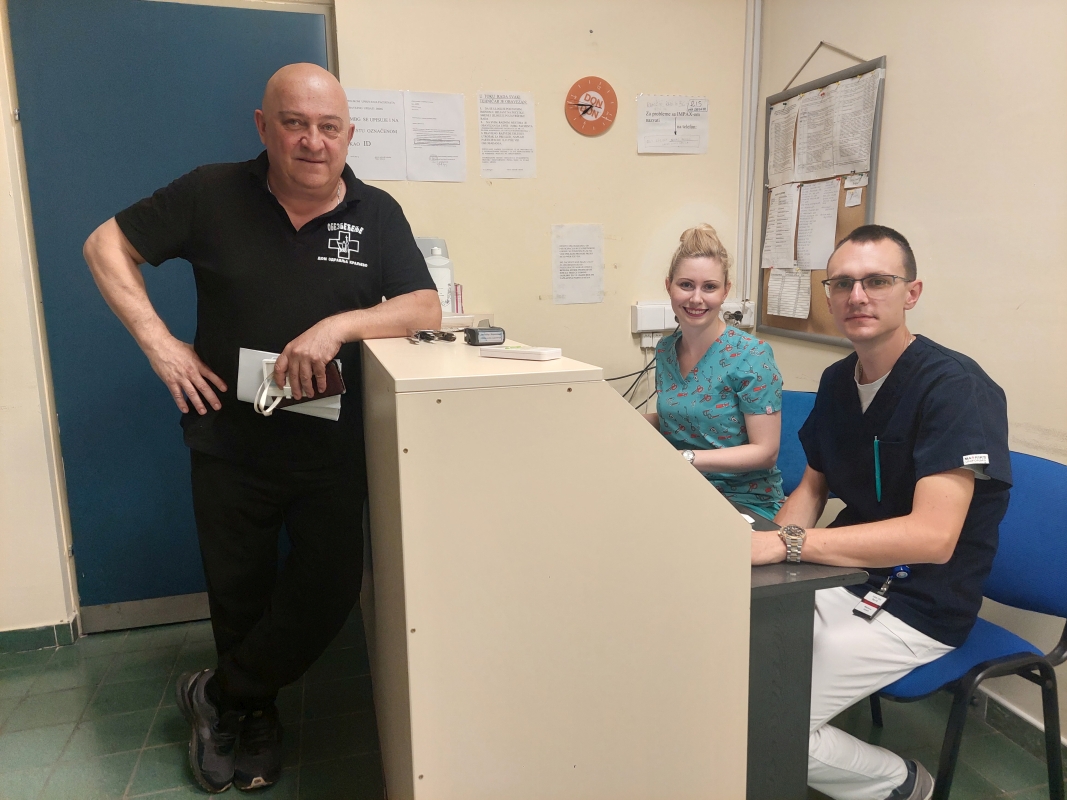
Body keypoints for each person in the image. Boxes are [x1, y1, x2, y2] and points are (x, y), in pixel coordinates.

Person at [83, 63, 441, 793]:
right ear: (263, 126)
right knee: (239, 594)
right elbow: (104, 246)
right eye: (295, 123)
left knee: (329, 590)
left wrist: (337, 325)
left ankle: (218, 695)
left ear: (349, 135)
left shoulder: (376, 212)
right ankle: (253, 716)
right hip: (229, 443)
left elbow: (423, 307)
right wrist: (160, 344)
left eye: (329, 127)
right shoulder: (211, 193)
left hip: (330, 446)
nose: (313, 141)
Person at [752, 225, 1011, 800]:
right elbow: (813, 487)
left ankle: (901, 784)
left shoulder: (956, 389)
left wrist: (789, 545)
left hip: (920, 601)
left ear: (911, 293)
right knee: (730, 661)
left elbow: (933, 538)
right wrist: (769, 552)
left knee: (764, 720)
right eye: (842, 283)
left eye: (877, 281)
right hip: (844, 575)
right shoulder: (837, 381)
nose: (858, 296)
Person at [644, 224, 784, 520]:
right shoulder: (666, 350)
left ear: (725, 291)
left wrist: (685, 458)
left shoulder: (751, 355)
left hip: (742, 498)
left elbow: (765, 451)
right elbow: (681, 413)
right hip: (679, 488)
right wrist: (618, 422)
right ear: (669, 286)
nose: (696, 299)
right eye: (686, 285)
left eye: (709, 287)